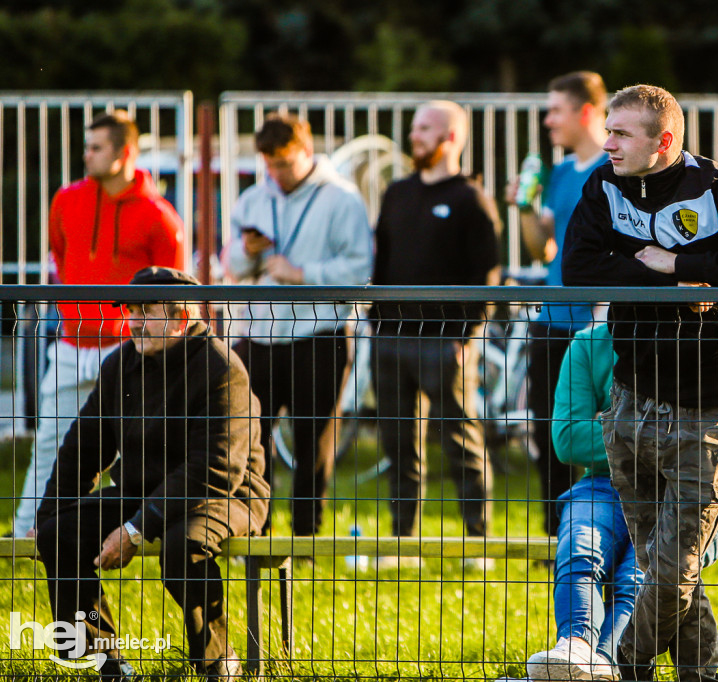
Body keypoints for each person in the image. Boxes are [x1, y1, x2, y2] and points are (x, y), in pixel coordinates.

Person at [562, 85, 718, 681]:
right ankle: (701, 675)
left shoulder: (717, 186)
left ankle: (623, 664)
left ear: (663, 142)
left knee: (672, 564)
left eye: (622, 133)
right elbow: (578, 269)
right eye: (607, 129)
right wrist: (667, 279)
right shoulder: (602, 185)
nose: (607, 142)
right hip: (629, 401)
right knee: (665, 565)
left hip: (704, 409)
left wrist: (677, 262)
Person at [34, 266, 270, 680]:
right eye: (131, 310)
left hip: (226, 494)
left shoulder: (222, 368)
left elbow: (214, 468)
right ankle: (106, 663)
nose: (134, 321)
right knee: (60, 531)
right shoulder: (120, 364)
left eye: (147, 310)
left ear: (181, 317)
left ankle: (217, 661)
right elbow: (82, 446)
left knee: (183, 545)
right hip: (146, 489)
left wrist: (136, 530)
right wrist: (48, 513)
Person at [525, 323, 718, 681]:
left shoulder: (704, 342)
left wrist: (618, 427)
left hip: (698, 492)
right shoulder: (588, 346)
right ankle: (575, 645)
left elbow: (716, 443)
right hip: (602, 484)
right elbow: (567, 440)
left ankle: (608, 660)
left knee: (643, 572)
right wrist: (669, 433)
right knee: (581, 546)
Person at [13, 110, 185, 537]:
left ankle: (134, 531)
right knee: (50, 445)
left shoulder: (159, 215)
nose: (85, 156)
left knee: (139, 451)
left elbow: (174, 291)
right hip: (71, 346)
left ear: (124, 153)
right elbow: (60, 255)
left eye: (95, 147)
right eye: (85, 147)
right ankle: (25, 535)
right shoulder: (66, 200)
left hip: (129, 349)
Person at [226, 113, 373, 537]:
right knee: (252, 437)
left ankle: (307, 534)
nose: (277, 174)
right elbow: (230, 263)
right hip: (258, 335)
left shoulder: (343, 198)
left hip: (320, 335)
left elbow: (359, 268)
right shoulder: (254, 199)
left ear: (307, 152)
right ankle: (256, 528)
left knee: (315, 439)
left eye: (286, 164)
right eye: (269, 164)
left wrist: (302, 271)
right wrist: (245, 250)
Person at [370, 100, 501, 568]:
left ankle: (477, 543)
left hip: (445, 342)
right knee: (397, 442)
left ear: (450, 137)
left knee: (459, 438)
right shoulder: (396, 192)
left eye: (424, 128)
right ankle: (402, 543)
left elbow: (487, 274)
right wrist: (374, 323)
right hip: (388, 338)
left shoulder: (471, 199)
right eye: (413, 127)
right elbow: (381, 262)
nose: (414, 136)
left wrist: (468, 337)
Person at [505, 71, 610, 538]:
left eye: (555, 110)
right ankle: (555, 537)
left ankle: (604, 532)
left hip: (598, 327)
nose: (547, 121)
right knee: (550, 435)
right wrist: (525, 208)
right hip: (551, 323)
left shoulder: (614, 170)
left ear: (585, 111)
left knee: (601, 437)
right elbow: (540, 248)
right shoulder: (562, 172)